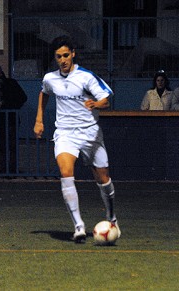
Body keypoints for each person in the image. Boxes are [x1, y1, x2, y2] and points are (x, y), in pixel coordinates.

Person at [33, 35, 120, 243]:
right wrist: (39, 120)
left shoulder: (86, 77)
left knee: (103, 178)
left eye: (65, 55)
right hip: (65, 133)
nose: (62, 60)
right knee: (65, 172)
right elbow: (44, 93)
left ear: (73, 54)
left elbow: (106, 100)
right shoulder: (50, 78)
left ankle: (112, 217)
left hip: (90, 133)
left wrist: (95, 105)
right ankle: (79, 227)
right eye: (58, 57)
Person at [0, 63, 27, 174]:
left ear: (1, 72)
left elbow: (22, 97)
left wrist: (5, 104)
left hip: (10, 118)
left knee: (12, 145)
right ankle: (2, 168)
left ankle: (12, 169)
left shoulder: (10, 83)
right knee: (1, 145)